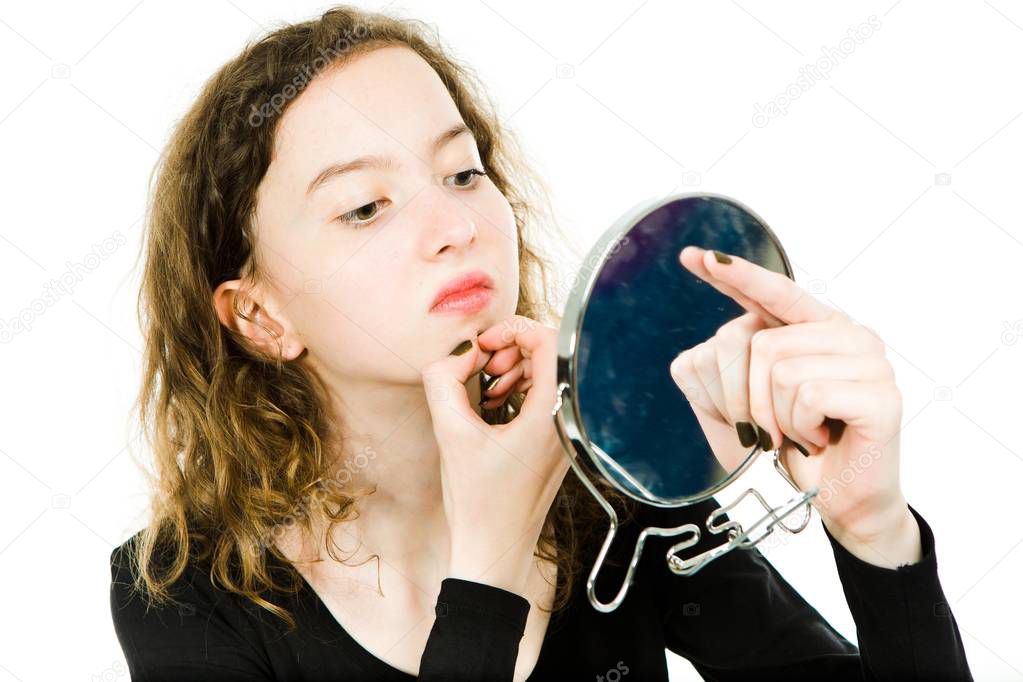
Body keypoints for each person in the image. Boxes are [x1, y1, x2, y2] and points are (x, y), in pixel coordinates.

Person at [109, 5, 973, 680]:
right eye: (365, 206)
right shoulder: (184, 593)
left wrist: (872, 528)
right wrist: (487, 567)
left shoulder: (614, 491)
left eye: (462, 171)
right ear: (260, 317)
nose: (455, 226)